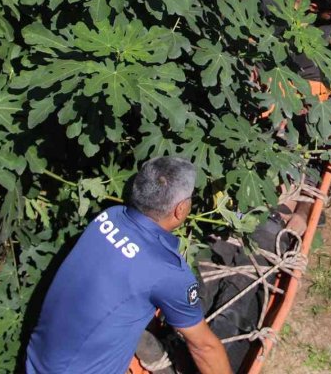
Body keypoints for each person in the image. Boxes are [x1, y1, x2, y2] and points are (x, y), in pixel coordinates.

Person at [26, 157, 232, 374]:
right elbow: (204, 348)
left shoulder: (110, 217)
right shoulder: (167, 270)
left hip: (39, 359)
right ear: (180, 209)